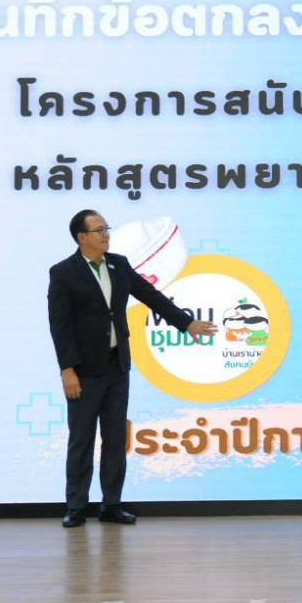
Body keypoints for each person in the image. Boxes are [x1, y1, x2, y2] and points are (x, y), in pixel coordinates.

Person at [48, 209, 216, 527]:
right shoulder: (63, 272)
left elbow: (151, 296)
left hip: (117, 367)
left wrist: (186, 323)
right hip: (83, 372)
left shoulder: (119, 264)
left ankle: (111, 504)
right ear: (81, 237)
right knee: (81, 441)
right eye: (98, 230)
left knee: (115, 439)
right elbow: (60, 324)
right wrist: (66, 369)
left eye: (106, 228)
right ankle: (76, 506)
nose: (106, 234)